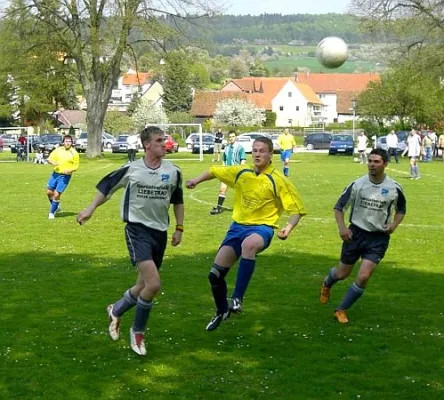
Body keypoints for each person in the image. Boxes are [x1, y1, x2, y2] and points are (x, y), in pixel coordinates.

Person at [76, 126, 184, 356]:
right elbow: (107, 188)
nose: (164, 144)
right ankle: (137, 332)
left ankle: (116, 309)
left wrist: (179, 228)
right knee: (153, 285)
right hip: (137, 230)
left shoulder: (173, 171)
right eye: (158, 140)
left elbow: (178, 200)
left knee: (142, 286)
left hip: (160, 233)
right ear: (146, 145)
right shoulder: (131, 169)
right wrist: (90, 209)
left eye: (164, 140)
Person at [186, 136, 307, 331]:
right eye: (255, 150)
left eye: (262, 151)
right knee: (215, 275)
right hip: (237, 228)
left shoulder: (278, 180)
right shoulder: (241, 172)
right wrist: (196, 181)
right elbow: (214, 171)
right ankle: (222, 310)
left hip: (262, 229)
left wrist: (288, 228)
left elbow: (296, 210)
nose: (257, 154)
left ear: (270, 155)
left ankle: (237, 298)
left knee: (249, 246)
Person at [320, 148, 406, 324]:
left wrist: (394, 225)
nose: (372, 165)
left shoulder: (394, 188)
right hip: (355, 234)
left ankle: (341, 309)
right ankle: (327, 283)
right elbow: (338, 208)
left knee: (364, 276)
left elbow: (401, 209)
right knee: (342, 273)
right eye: (370, 161)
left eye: (376, 162)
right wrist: (342, 228)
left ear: (385, 164)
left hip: (378, 238)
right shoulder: (358, 184)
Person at [210, 130, 246, 215]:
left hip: (236, 173)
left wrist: (240, 172)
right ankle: (218, 208)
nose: (231, 138)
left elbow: (243, 160)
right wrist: (223, 171)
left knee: (240, 192)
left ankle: (244, 209)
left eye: (233, 136)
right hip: (227, 173)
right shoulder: (226, 148)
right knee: (222, 189)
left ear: (236, 137)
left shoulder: (240, 148)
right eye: (230, 137)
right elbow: (224, 160)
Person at [46, 135, 79, 219]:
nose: (68, 143)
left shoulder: (74, 153)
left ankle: (51, 213)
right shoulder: (58, 150)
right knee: (49, 192)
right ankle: (56, 206)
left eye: (69, 141)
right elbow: (49, 159)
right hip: (55, 174)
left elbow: (76, 166)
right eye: (66, 141)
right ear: (63, 142)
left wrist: (70, 171)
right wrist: (52, 163)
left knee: (56, 194)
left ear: (72, 143)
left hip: (65, 176)